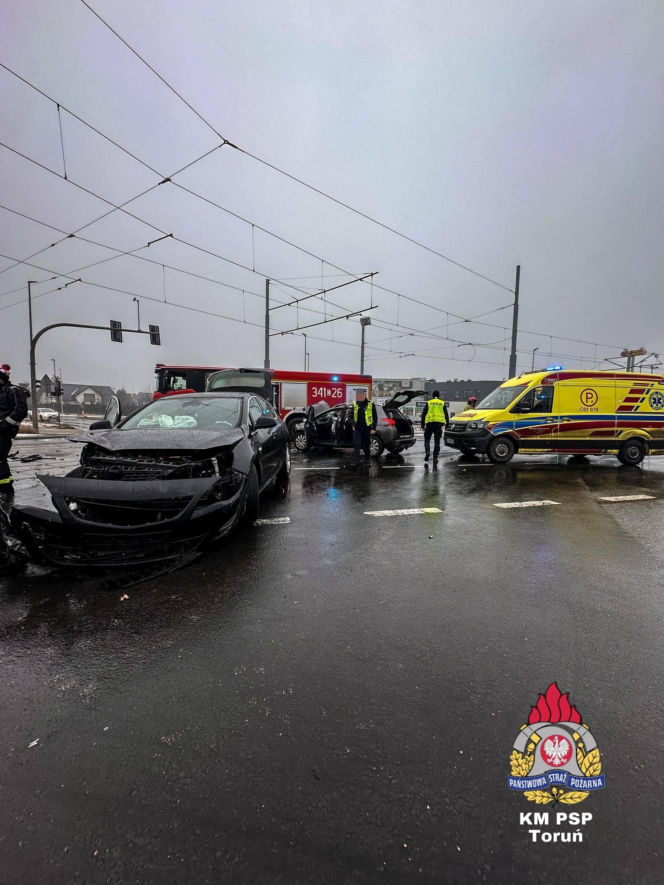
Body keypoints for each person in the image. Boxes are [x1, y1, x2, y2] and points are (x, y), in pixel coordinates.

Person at [0, 364, 28, 497]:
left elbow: (20, 411)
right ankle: (6, 484)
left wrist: (4, 424)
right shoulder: (2, 391)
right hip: (2, 429)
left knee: (0, 458)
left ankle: (6, 489)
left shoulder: (14, 390)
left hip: (6, 431)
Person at [420, 390, 449, 464]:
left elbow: (423, 414)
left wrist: (422, 425)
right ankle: (435, 456)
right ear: (439, 396)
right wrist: (447, 425)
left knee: (427, 439)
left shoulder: (429, 403)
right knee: (437, 441)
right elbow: (446, 415)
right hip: (438, 425)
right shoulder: (442, 403)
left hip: (429, 424)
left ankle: (427, 452)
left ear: (432, 396)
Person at [352, 391, 377, 463]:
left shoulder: (370, 404)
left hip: (367, 428)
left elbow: (375, 417)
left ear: (365, 395)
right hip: (357, 429)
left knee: (367, 445)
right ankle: (356, 461)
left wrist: (373, 428)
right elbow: (353, 416)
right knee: (357, 445)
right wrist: (353, 424)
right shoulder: (355, 404)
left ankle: (367, 460)